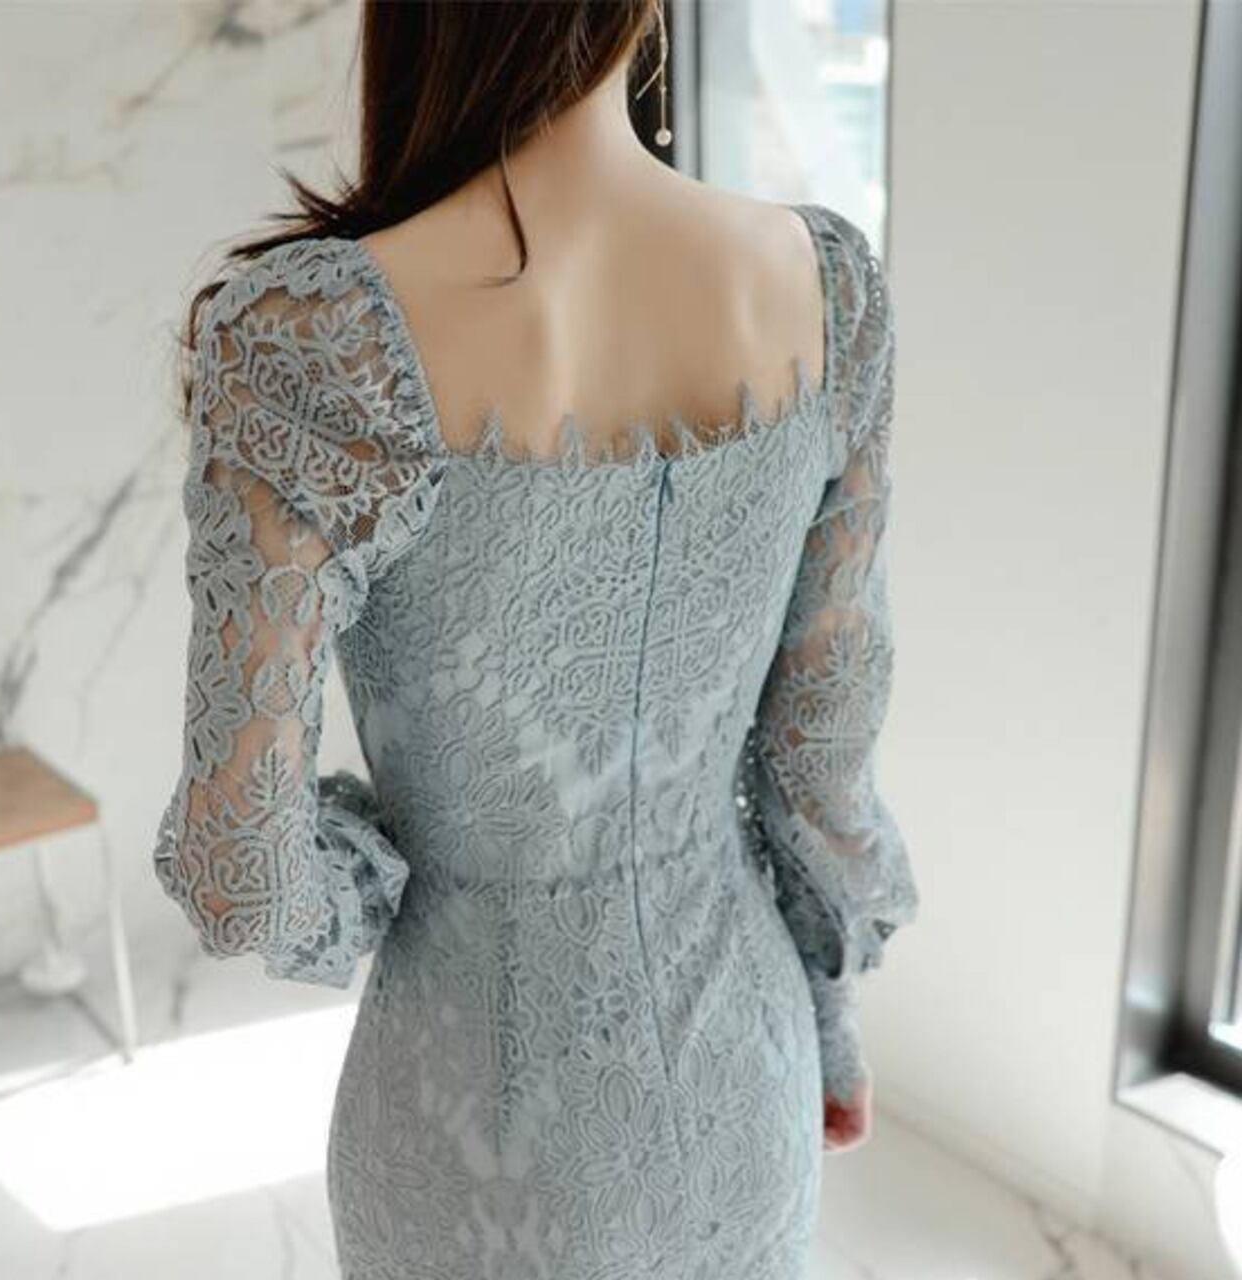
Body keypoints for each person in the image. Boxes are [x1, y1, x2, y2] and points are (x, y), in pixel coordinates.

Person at [152, 1, 920, 1275]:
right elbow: (822, 761)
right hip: (747, 1073)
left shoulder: (315, 337)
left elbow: (242, 871)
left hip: (469, 1117)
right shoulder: (827, 286)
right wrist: (830, 1023)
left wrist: (386, 881)